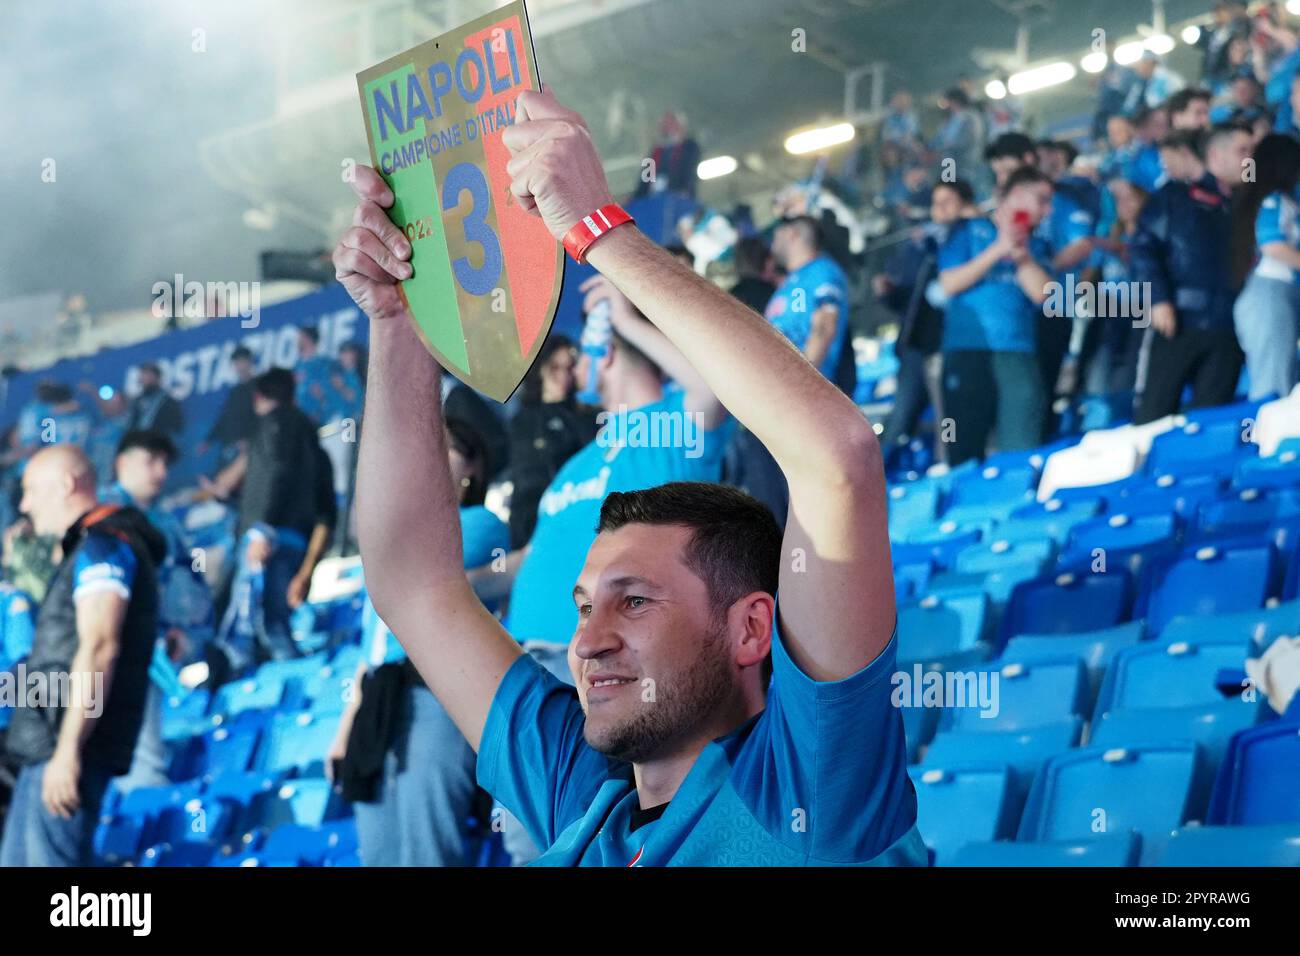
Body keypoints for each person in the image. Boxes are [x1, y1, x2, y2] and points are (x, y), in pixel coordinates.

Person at [334, 88, 924, 867]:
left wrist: (597, 228)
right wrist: (400, 322)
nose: (587, 643)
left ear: (751, 629)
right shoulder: (583, 801)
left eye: (634, 602)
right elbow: (412, 583)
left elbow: (838, 458)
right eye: (585, 608)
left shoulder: (809, 795)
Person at [327, 414, 507, 866]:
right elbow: (373, 639)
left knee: (430, 848)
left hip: (435, 691)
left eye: (446, 449)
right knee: (379, 852)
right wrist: (346, 724)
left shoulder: (481, 523)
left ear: (474, 469)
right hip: (378, 698)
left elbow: (425, 578)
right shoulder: (396, 537)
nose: (430, 458)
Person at [0, 445, 165, 866]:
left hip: (65, 747)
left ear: (67, 484)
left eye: (31, 490)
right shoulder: (90, 546)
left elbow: (100, 646)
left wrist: (68, 751)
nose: (24, 504)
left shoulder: (105, 545)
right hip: (45, 747)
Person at [100, 430, 213, 792]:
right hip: (108, 650)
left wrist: (180, 631)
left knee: (146, 755)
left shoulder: (165, 522)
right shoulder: (103, 514)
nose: (160, 471)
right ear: (122, 463)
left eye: (165, 463)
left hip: (156, 649)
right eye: (150, 460)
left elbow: (189, 587)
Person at [1132, 123, 1255, 423]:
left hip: (1229, 327)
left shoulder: (1246, 204)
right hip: (1178, 321)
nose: (1250, 160)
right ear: (1215, 155)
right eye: (1243, 151)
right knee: (1154, 416)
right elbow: (1143, 249)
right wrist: (1158, 299)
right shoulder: (1174, 197)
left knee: (1212, 421)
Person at [204, 368, 323, 674]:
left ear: (258, 397)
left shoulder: (275, 425)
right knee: (266, 622)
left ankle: (270, 692)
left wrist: (261, 530)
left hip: (269, 540)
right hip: (293, 536)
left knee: (261, 623)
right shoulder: (308, 433)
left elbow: (275, 473)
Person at [937, 166, 1055, 465]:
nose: (1047, 209)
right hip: (968, 350)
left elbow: (1043, 294)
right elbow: (949, 283)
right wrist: (997, 248)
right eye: (1040, 199)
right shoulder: (966, 230)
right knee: (963, 447)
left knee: (1022, 444)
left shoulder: (1038, 245)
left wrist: (1021, 255)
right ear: (1016, 195)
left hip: (1018, 352)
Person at [876, 179, 975, 462]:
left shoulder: (971, 238)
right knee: (902, 415)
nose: (940, 211)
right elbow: (910, 301)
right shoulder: (923, 249)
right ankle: (890, 473)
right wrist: (888, 293)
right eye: (936, 204)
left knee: (949, 415)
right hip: (918, 345)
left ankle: (949, 468)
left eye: (948, 203)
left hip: (954, 344)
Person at [506, 335, 595, 550]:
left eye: (569, 367)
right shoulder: (521, 421)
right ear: (540, 368)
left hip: (577, 526)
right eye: (555, 367)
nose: (563, 376)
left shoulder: (589, 420)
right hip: (528, 531)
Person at [1233, 133, 1300, 400]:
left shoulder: (1279, 200)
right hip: (1269, 296)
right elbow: (1271, 244)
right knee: (1272, 386)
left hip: (1278, 294)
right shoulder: (1274, 201)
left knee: (1282, 379)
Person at [764, 216, 851, 381]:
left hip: (801, 390)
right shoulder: (792, 280)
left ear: (792, 233)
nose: (772, 242)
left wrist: (801, 380)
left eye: (776, 234)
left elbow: (824, 326)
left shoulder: (822, 271)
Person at [201, 345, 257, 463]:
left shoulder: (260, 386)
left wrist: (249, 439)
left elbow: (264, 417)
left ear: (249, 361)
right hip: (231, 448)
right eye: (236, 362)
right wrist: (208, 440)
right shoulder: (235, 391)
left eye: (242, 361)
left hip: (254, 448)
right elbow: (225, 418)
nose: (239, 366)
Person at [124, 362, 184, 439]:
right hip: (137, 443)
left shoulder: (167, 401)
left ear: (157, 378)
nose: (145, 378)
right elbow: (130, 424)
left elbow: (175, 426)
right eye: (143, 374)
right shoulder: (137, 402)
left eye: (149, 375)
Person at [294, 326, 337, 427]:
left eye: (301, 338)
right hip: (300, 422)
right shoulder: (296, 367)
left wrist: (320, 413)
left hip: (320, 421)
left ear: (309, 339)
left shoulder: (324, 364)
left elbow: (329, 394)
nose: (297, 341)